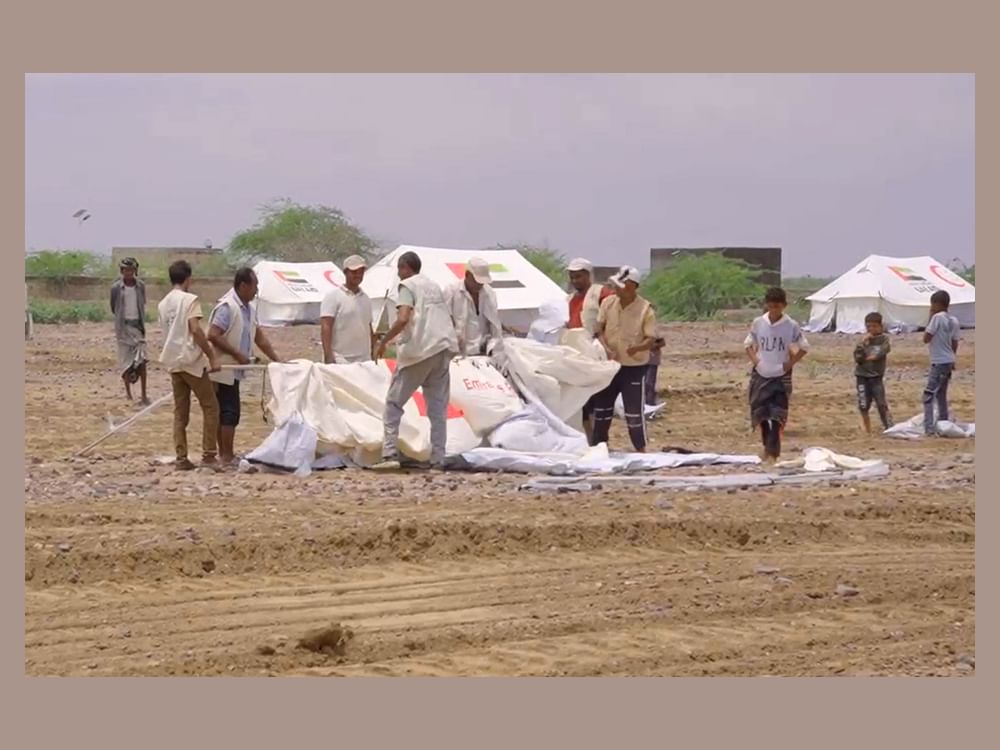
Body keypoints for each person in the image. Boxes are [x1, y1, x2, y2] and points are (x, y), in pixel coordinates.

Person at [371, 250, 459, 470]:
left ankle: (389, 454)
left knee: (393, 404)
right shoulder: (433, 286)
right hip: (442, 348)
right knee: (437, 409)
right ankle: (438, 459)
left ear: (405, 268)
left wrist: (384, 342)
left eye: (399, 270)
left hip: (420, 351)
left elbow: (403, 318)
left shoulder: (407, 286)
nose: (398, 275)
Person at [207, 268, 282, 466]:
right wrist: (237, 354)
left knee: (227, 410)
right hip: (224, 368)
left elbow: (259, 337)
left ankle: (225, 453)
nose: (256, 291)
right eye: (254, 286)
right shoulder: (228, 307)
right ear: (243, 286)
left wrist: (276, 359)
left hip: (234, 369)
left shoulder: (249, 309)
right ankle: (226, 455)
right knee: (229, 411)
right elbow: (213, 334)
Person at [158, 260, 221, 471]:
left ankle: (181, 457)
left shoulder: (163, 304)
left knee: (180, 412)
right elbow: (195, 329)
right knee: (210, 406)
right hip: (191, 361)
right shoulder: (189, 300)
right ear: (188, 279)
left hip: (173, 361)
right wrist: (211, 355)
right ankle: (209, 455)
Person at [590, 266, 657, 452]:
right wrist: (606, 349)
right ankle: (600, 447)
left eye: (621, 286)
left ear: (632, 286)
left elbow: (651, 338)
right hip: (609, 366)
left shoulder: (645, 309)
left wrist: (637, 348)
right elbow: (599, 330)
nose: (617, 290)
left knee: (634, 412)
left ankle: (640, 448)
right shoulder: (608, 303)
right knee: (602, 410)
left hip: (633, 367)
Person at [744, 287, 809, 461]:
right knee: (761, 413)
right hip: (761, 373)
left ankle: (773, 450)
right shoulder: (758, 323)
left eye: (778, 307)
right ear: (767, 305)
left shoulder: (791, 325)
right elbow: (748, 344)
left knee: (777, 414)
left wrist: (790, 363)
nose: (774, 310)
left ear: (784, 306)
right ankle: (768, 448)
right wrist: (756, 361)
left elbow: (804, 346)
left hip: (781, 374)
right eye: (771, 306)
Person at [566, 258, 615, 441]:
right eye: (572, 277)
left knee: (598, 398)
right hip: (576, 353)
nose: (575, 281)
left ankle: (599, 438)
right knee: (582, 401)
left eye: (578, 276)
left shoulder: (600, 293)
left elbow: (612, 315)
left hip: (596, 351)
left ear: (588, 275)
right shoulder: (569, 299)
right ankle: (590, 439)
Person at [320, 255, 376, 364]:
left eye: (361, 272)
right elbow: (326, 326)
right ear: (345, 272)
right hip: (341, 358)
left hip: (364, 358)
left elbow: (368, 326)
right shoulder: (333, 296)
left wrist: (373, 350)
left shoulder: (366, 299)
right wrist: (328, 355)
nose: (358, 275)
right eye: (354, 272)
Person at [109, 257, 150, 404]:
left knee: (142, 361)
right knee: (126, 362)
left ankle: (144, 395)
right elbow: (114, 307)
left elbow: (142, 303)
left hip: (137, 326)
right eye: (126, 270)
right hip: (123, 328)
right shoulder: (115, 288)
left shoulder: (140, 286)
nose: (128, 273)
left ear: (135, 271)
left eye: (131, 270)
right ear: (122, 271)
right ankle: (128, 394)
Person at [922, 289, 962, 436]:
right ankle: (944, 422)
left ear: (936, 304)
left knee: (928, 395)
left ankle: (929, 428)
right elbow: (954, 342)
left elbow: (926, 338)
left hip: (939, 361)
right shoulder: (954, 320)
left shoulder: (937, 318)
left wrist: (930, 316)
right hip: (948, 360)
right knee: (941, 393)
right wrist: (953, 358)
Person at [446, 257, 503, 356]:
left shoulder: (490, 294)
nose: (480, 285)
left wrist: (494, 347)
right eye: (477, 281)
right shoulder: (451, 291)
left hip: (484, 352)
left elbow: (495, 327)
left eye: (482, 282)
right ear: (467, 275)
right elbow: (445, 323)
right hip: (458, 352)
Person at [854, 312, 893, 434]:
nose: (871, 329)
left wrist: (874, 356)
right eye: (869, 326)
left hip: (876, 377)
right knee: (863, 404)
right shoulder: (863, 341)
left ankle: (888, 427)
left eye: (874, 326)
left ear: (881, 326)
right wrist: (862, 345)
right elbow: (858, 358)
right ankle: (867, 429)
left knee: (881, 403)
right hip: (862, 376)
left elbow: (884, 350)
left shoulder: (883, 339)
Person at [645, 336, 666, 406]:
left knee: (649, 383)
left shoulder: (654, 332)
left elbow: (662, 343)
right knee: (642, 383)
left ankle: (650, 403)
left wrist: (652, 346)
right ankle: (643, 403)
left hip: (652, 361)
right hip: (641, 361)